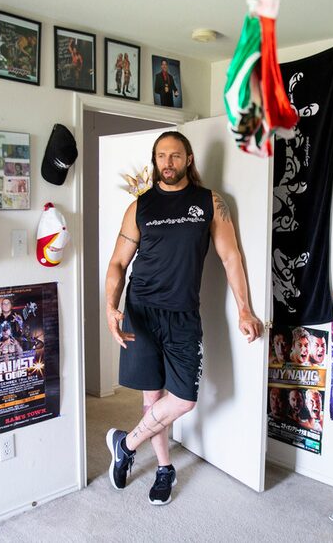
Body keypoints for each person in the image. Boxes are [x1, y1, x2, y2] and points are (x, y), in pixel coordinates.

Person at [104, 131, 262, 506]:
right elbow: (117, 263)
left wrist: (244, 308)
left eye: (175, 156)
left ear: (188, 159)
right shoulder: (140, 207)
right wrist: (110, 307)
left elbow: (231, 257)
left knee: (183, 400)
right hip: (140, 310)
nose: (168, 163)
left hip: (183, 315)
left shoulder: (209, 203)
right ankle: (163, 468)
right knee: (152, 396)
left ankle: (125, 445)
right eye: (161, 156)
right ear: (155, 159)